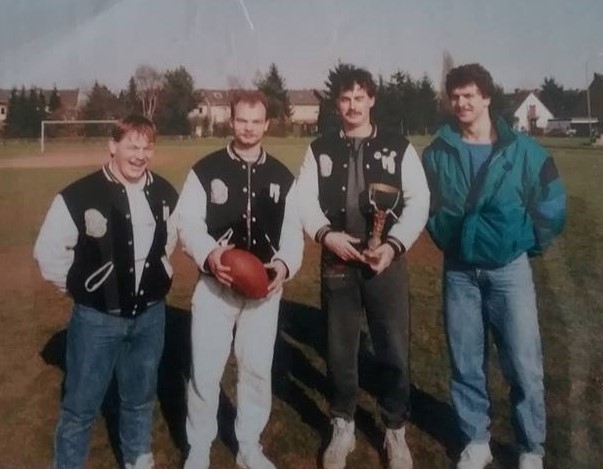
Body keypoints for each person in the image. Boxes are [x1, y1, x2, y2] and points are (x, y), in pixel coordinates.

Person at [422, 63, 566, 469]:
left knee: (523, 363)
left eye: (469, 95)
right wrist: (447, 237)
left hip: (509, 272)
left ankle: (531, 448)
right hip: (459, 273)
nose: (462, 103)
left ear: (486, 97)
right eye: (455, 96)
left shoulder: (525, 151)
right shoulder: (437, 151)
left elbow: (552, 206)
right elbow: (425, 205)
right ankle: (476, 440)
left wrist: (522, 245)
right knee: (465, 359)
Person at [295, 65, 430, 469]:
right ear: (337, 104)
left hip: (385, 260)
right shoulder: (319, 149)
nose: (352, 105)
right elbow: (304, 199)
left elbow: (419, 200)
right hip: (338, 257)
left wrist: (392, 246)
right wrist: (326, 235)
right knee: (340, 347)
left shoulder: (398, 146)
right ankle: (343, 423)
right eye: (345, 98)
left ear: (372, 99)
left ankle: (394, 427)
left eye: (359, 97)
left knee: (393, 347)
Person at [33, 114, 179, 469]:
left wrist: (155, 278)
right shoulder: (78, 194)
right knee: (80, 406)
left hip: (150, 316)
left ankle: (136, 457)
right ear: (113, 146)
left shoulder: (164, 192)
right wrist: (85, 294)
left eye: (147, 147)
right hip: (96, 321)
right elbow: (48, 254)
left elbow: (168, 244)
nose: (140, 155)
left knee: (140, 396)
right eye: (132, 146)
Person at [177, 90, 303, 469]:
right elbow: (188, 223)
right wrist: (209, 255)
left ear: (266, 124)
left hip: (263, 290)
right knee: (205, 369)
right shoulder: (205, 170)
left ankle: (248, 446)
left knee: (256, 369)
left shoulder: (282, 175)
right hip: (216, 285)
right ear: (231, 122)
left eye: (256, 121)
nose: (248, 128)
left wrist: (283, 266)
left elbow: (293, 234)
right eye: (242, 120)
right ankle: (199, 447)